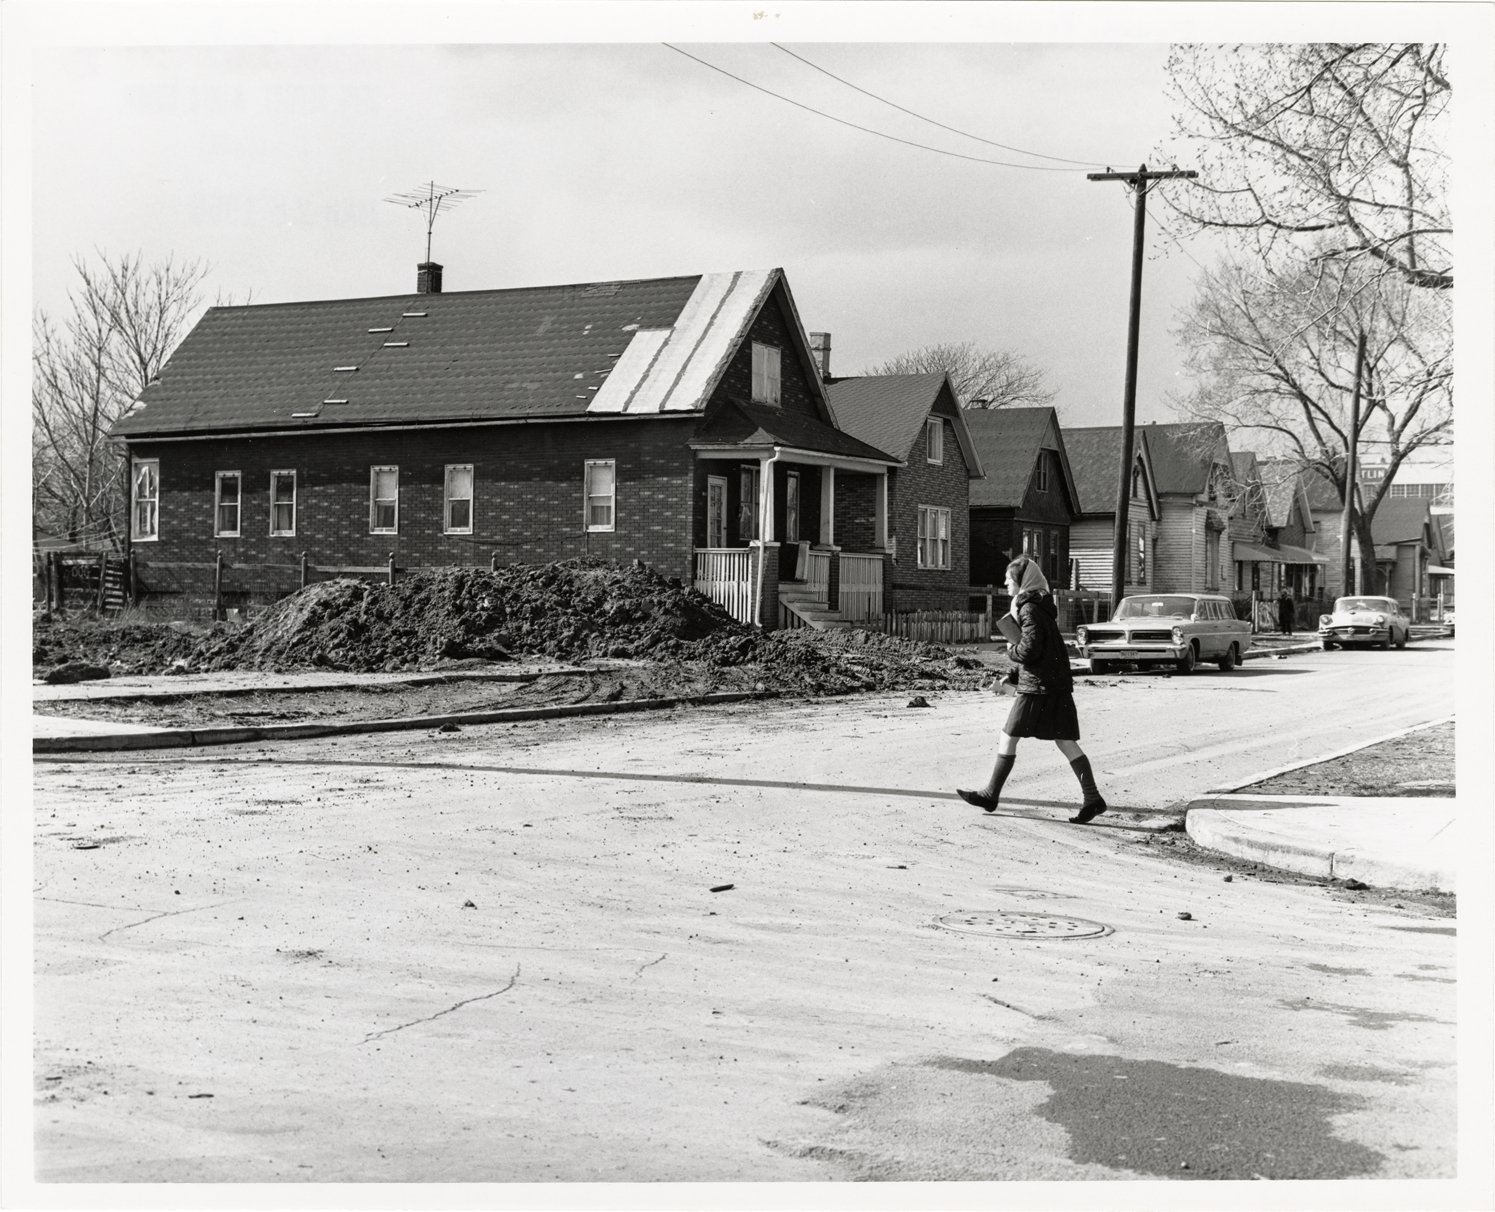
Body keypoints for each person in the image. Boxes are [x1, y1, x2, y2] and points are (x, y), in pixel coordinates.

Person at [957, 555, 1108, 824]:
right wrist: (1013, 675)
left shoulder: (1028, 609)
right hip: (1054, 683)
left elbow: (1029, 650)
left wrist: (1010, 651)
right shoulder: (1039, 606)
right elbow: (1041, 650)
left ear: (1022, 581)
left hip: (1039, 687)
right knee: (1064, 741)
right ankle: (1093, 798)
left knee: (1008, 735)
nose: (1005, 583)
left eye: (1009, 579)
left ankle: (991, 795)